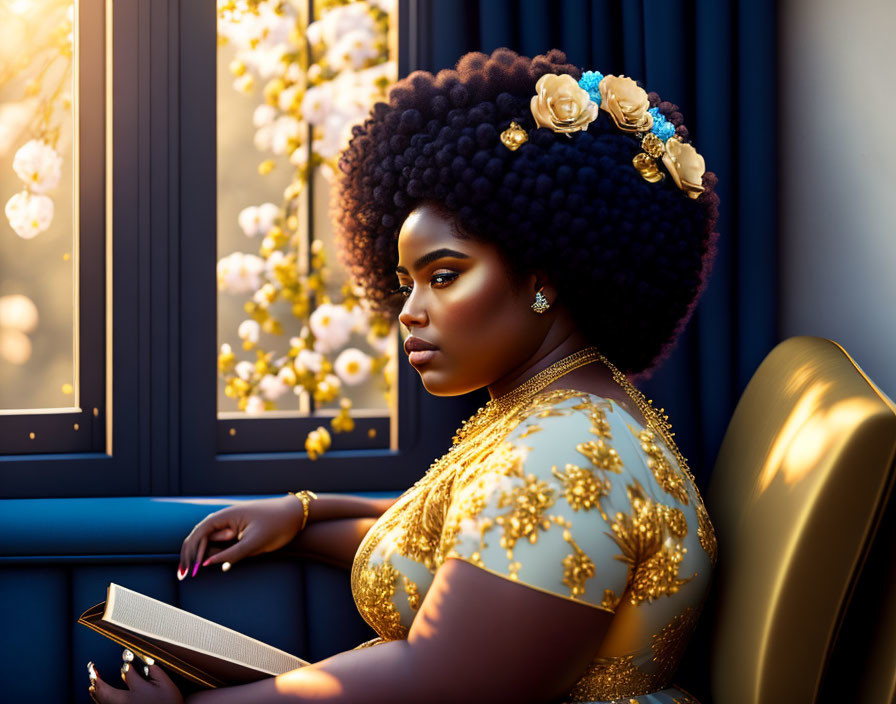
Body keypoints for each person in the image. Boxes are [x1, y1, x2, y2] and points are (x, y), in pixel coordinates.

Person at [88, 47, 720, 704]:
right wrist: (302, 514)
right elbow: (455, 539)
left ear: (542, 276)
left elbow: (444, 680)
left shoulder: (565, 456)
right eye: (405, 283)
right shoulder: (555, 413)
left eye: (443, 276)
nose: (409, 313)